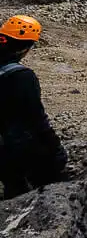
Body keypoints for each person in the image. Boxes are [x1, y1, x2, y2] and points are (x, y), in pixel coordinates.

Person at [0, 15, 67, 199]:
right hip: (17, 143)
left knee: (12, 183)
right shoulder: (22, 77)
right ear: (26, 48)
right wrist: (54, 146)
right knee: (48, 181)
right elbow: (36, 118)